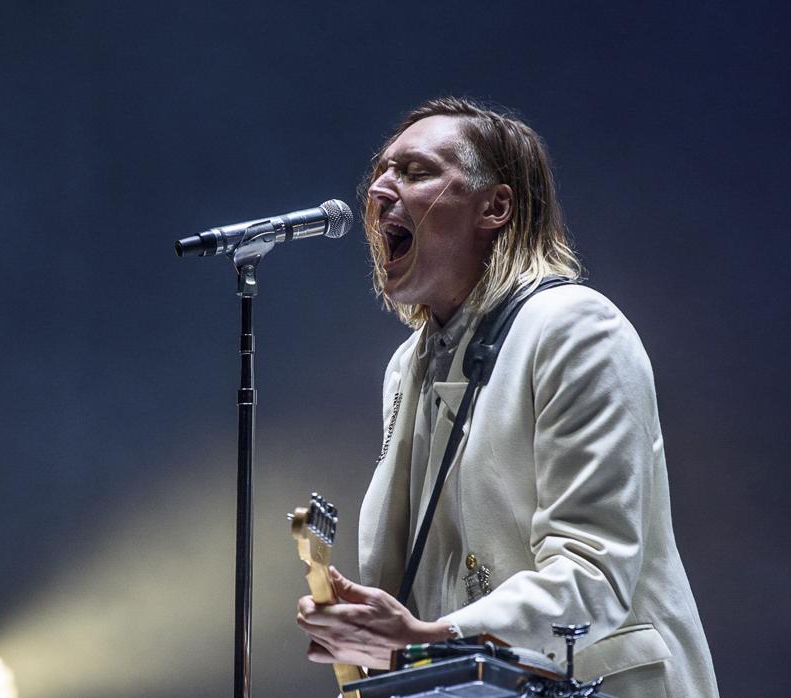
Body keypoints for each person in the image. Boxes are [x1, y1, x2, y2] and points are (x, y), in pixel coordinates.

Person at [295, 97, 719, 696]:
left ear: (494, 207)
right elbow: (419, 589)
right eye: (381, 173)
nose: (380, 191)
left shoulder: (574, 328)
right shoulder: (406, 366)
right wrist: (372, 633)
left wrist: (433, 637)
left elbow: (591, 574)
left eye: (415, 172)